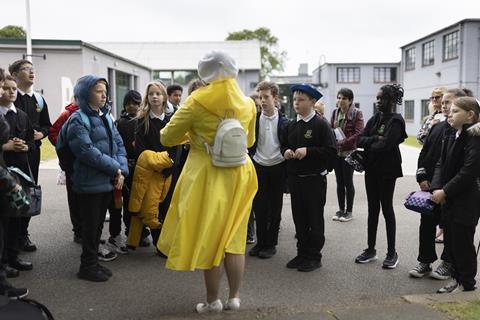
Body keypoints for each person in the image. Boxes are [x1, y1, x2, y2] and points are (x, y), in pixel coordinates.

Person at [157, 51, 258, 313]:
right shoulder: (248, 103)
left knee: (211, 237)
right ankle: (234, 297)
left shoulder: (196, 101)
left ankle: (213, 300)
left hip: (207, 174)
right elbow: (249, 141)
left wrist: (195, 136)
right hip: (240, 173)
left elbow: (167, 138)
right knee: (234, 237)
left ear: (205, 73)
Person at [66, 75, 128, 282]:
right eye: (98, 90)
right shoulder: (77, 119)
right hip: (89, 182)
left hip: (106, 181)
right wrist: (116, 170)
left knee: (98, 225)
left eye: (105, 91)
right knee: (90, 227)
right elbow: (87, 152)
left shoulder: (106, 116)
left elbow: (119, 145)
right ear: (85, 94)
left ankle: (93, 263)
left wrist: (120, 171)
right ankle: (87, 267)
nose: (104, 95)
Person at [410, 88, 473, 280]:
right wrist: (422, 177)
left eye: (449, 102)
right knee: (426, 224)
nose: (444, 106)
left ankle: (448, 262)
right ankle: (425, 261)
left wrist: (445, 189)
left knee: (449, 227)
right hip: (431, 187)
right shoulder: (437, 127)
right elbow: (425, 153)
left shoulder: (465, 132)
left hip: (450, 190)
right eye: (443, 102)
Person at [281, 84, 336, 272]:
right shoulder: (291, 125)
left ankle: (314, 256)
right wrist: (286, 151)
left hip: (314, 180)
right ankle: (302, 253)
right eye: (295, 99)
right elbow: (284, 145)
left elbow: (331, 151)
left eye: (301, 99)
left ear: (313, 102)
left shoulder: (321, 124)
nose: (296, 103)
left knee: (314, 219)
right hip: (296, 180)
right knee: (299, 218)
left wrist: (309, 151)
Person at [355, 84, 407, 269]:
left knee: (386, 209)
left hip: (387, 171)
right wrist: (375, 139)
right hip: (372, 169)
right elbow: (359, 140)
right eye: (377, 98)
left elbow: (385, 146)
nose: (378, 101)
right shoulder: (375, 118)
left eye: (382, 98)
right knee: (372, 209)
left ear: (392, 100)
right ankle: (370, 249)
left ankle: (392, 253)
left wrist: (373, 142)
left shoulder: (397, 121)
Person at [431, 96, 480, 293]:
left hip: (466, 199)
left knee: (463, 244)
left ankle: (467, 284)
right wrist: (437, 187)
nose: (450, 113)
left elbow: (469, 172)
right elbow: (441, 164)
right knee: (451, 243)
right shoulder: (453, 134)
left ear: (470, 115)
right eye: (449, 110)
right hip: (450, 199)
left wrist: (445, 190)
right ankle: (457, 279)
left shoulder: (475, 138)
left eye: (455, 111)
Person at [9, 59, 52, 252]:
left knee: (29, 193)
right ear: (15, 75)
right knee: (12, 193)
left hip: (33, 154)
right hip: (13, 155)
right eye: (25, 69)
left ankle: (23, 234)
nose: (31, 72)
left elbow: (47, 125)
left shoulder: (39, 99)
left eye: (32, 69)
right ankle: (11, 238)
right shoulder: (9, 98)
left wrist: (41, 134)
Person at [128, 82, 176, 251]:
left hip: (169, 172)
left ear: (164, 97)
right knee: (151, 209)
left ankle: (167, 242)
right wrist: (159, 163)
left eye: (158, 93)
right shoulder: (142, 122)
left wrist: (168, 166)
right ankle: (159, 245)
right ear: (147, 98)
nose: (154, 96)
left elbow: (175, 147)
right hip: (150, 173)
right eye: (151, 94)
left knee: (167, 207)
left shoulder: (172, 121)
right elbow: (140, 150)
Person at [248, 81, 289, 259]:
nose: (262, 101)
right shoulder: (254, 120)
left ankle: (271, 244)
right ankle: (261, 242)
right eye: (260, 97)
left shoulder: (285, 122)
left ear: (275, 98)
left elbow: (287, 144)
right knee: (259, 207)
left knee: (275, 208)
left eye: (266, 97)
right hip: (258, 166)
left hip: (278, 167)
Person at [0, 75, 35, 274]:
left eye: (14, 88)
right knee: (4, 220)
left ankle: (13, 257)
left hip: (20, 173)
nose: (11, 92)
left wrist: (24, 146)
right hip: (3, 172)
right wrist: (8, 146)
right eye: (6, 88)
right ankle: (3, 261)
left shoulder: (21, 115)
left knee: (17, 218)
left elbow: (31, 140)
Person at [106, 90, 142, 254]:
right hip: (121, 168)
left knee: (134, 203)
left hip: (139, 168)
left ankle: (135, 233)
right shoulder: (119, 123)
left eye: (135, 103)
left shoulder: (143, 121)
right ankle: (115, 234)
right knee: (117, 203)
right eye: (129, 103)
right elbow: (115, 145)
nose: (132, 106)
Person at [48, 100, 81, 243]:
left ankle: (89, 232)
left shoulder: (98, 112)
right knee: (74, 199)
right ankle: (78, 231)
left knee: (89, 201)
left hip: (90, 166)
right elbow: (53, 133)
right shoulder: (67, 114)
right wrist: (66, 147)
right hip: (72, 165)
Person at [330, 88, 364, 222]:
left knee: (348, 182)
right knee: (339, 182)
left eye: (344, 98)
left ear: (350, 101)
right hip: (337, 152)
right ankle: (340, 210)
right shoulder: (335, 112)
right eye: (338, 98)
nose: (340, 101)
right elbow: (331, 128)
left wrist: (345, 141)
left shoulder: (357, 113)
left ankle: (349, 212)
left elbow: (359, 133)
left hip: (349, 152)